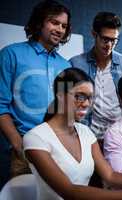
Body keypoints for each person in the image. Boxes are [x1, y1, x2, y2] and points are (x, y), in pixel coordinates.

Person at [23, 68, 122, 200]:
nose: (86, 103)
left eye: (90, 98)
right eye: (80, 96)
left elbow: (111, 176)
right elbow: (69, 191)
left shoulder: (86, 133)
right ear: (60, 95)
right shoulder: (36, 138)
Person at [0, 0, 71, 188]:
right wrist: (18, 143)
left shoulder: (66, 65)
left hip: (59, 150)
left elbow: (68, 110)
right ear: (40, 22)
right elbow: (0, 104)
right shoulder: (11, 54)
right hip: (25, 148)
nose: (60, 29)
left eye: (64, 26)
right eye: (54, 22)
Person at [70, 12, 122, 142]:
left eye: (114, 40)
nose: (109, 45)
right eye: (105, 39)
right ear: (94, 34)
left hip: (120, 138)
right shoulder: (75, 64)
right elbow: (69, 104)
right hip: (87, 137)